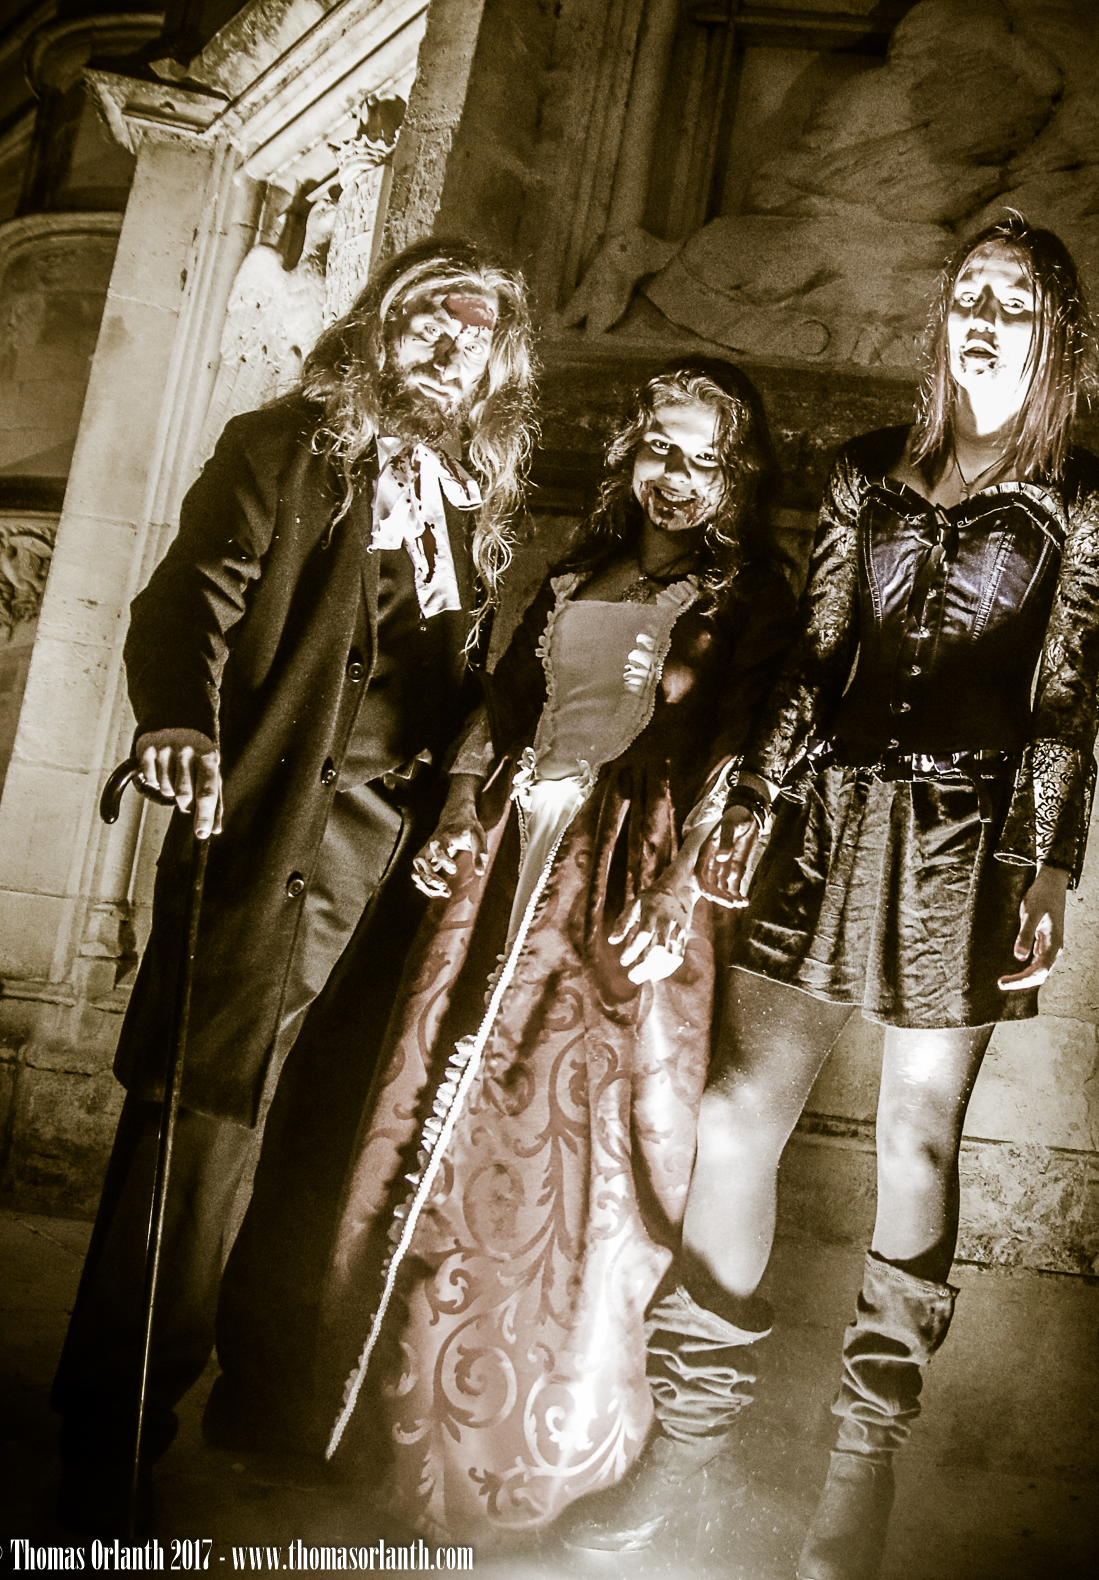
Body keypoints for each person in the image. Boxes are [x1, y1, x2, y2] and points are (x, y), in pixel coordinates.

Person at [565, 216, 1099, 1579]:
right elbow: (817, 661)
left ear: (1051, 329)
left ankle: (860, 1465)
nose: (982, 315)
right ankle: (686, 1452)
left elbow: (1067, 697)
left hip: (967, 842)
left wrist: (1050, 863)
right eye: (968, 292)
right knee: (731, 1114)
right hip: (826, 821)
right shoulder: (866, 471)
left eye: (1011, 299)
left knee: (917, 1145)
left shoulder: (1082, 497)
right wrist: (756, 799)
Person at [51, 237, 537, 1533]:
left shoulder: (474, 507)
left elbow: (459, 686)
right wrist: (180, 719)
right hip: (272, 845)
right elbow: (183, 603)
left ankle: (263, 1400)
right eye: (429, 315)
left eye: (476, 331)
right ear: (380, 326)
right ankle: (110, 1432)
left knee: (325, 1138)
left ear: (497, 368)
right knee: (196, 1138)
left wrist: (467, 800)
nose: (449, 342)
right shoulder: (281, 449)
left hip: (392, 875)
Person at [317, 360, 797, 1545]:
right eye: (660, 449)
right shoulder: (580, 568)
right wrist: (459, 810)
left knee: (578, 1141)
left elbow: (745, 748)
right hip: (512, 850)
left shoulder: (752, 593)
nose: (676, 477)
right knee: (453, 1111)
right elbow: (504, 705)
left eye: (704, 460)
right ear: (630, 455)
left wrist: (679, 890)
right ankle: (398, 1420)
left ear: (735, 476)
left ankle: (535, 1458)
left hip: (634, 864)